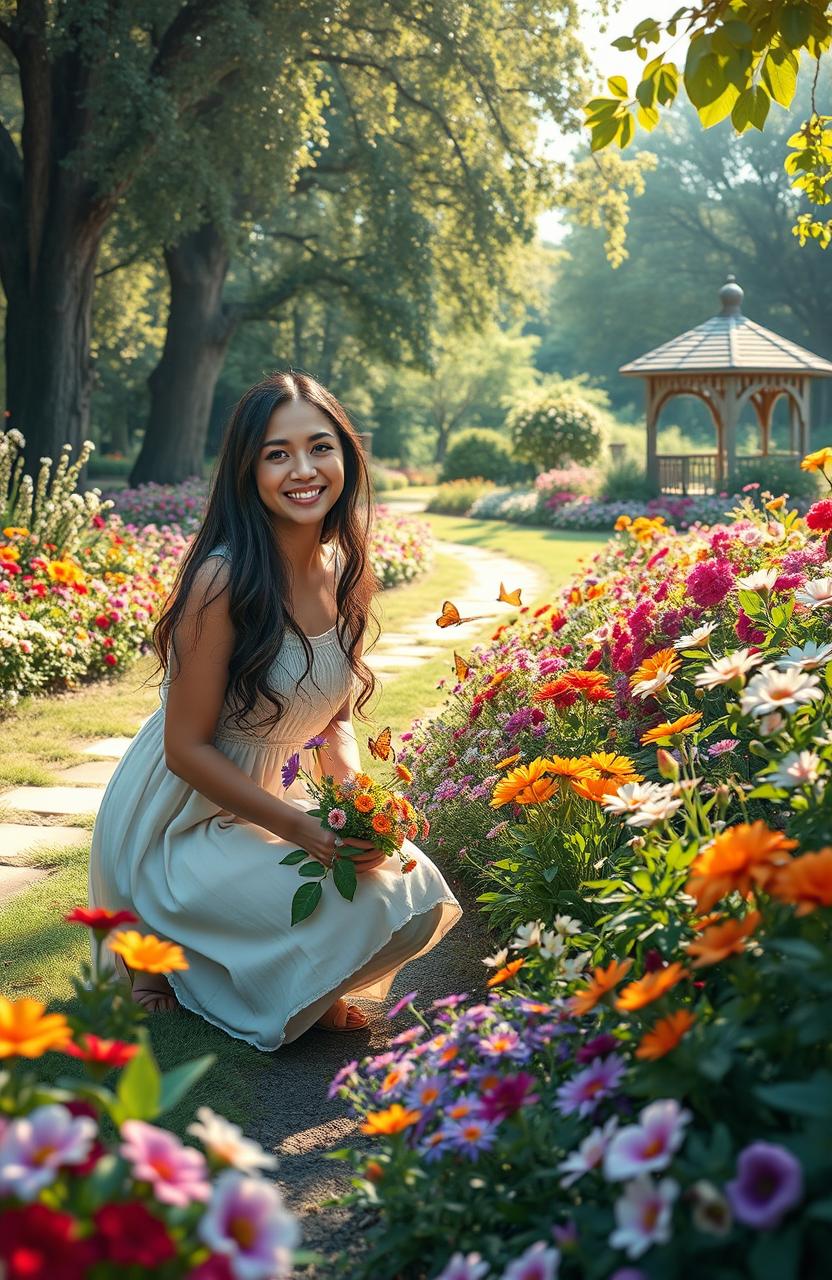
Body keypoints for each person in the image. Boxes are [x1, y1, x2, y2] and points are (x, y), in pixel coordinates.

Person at [87, 371, 462, 1049]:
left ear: (346, 456)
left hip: (272, 811)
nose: (303, 470)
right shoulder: (222, 580)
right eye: (276, 453)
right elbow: (186, 749)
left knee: (411, 884)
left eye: (320, 447)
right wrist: (307, 831)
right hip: (182, 824)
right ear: (248, 469)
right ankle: (162, 942)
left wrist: (353, 813)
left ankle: (272, 970)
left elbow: (336, 720)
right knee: (353, 902)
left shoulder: (342, 565)